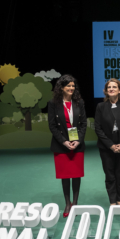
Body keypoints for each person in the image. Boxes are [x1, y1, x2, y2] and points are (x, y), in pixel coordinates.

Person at [48, 74, 87, 217]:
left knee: (76, 175)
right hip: (61, 145)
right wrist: (64, 141)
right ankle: (67, 203)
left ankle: (75, 204)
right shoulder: (53, 103)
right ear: (61, 87)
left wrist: (78, 141)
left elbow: (83, 124)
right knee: (65, 176)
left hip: (77, 144)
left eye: (73, 85)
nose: (71, 88)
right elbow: (52, 126)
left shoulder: (79, 102)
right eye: (68, 86)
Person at [94, 78, 120, 205]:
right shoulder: (101, 106)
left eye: (114, 87)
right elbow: (98, 128)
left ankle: (119, 199)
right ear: (106, 91)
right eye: (109, 87)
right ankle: (112, 200)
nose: (111, 89)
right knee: (110, 175)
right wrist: (110, 145)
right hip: (106, 148)